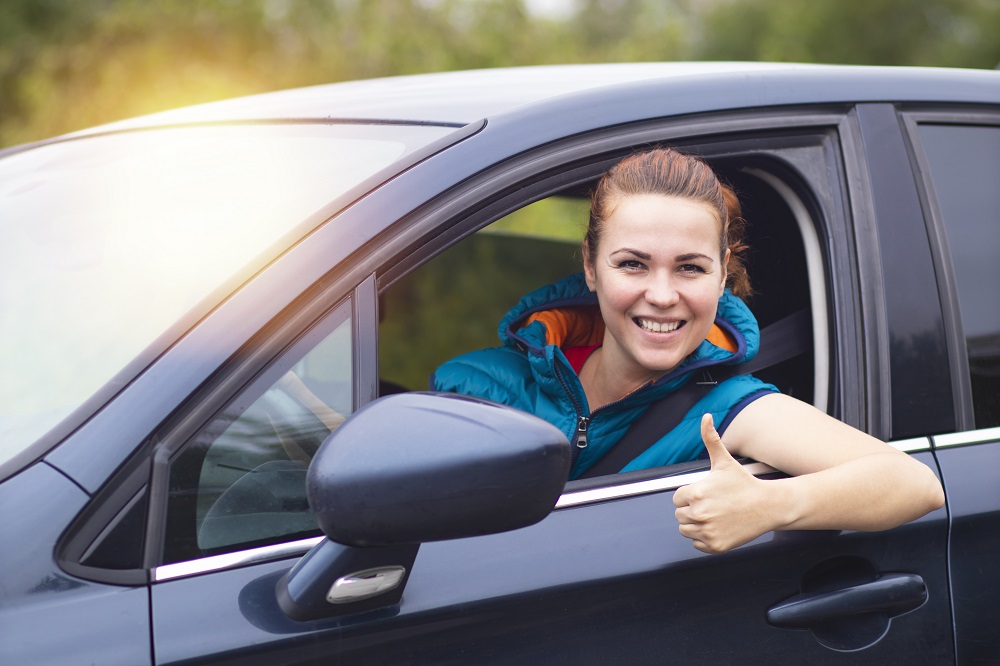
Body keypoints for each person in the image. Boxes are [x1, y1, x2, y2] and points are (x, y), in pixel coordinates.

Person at [433, 147, 944, 554]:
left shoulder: (728, 408)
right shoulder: (478, 383)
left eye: (690, 268)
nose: (661, 294)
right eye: (632, 264)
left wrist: (771, 504)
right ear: (591, 266)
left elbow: (913, 483)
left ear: (723, 273)